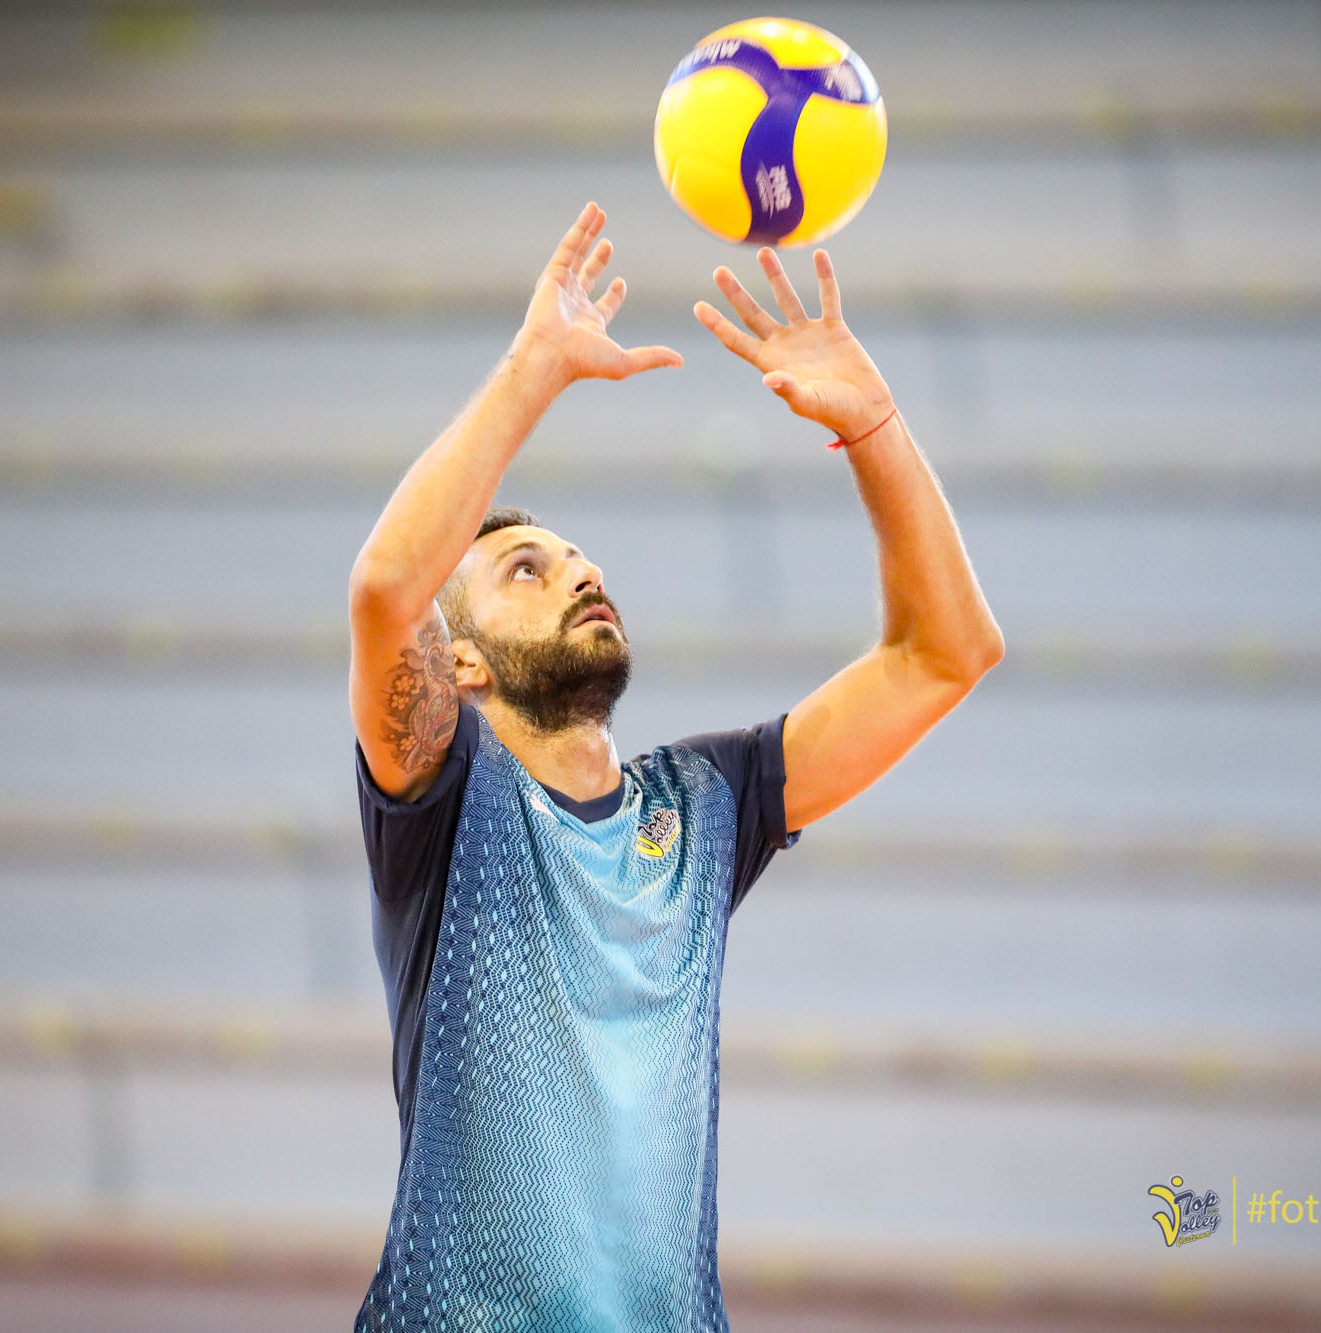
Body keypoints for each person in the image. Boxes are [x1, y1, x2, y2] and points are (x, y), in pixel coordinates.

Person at [348, 201, 1004, 1331]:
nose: (578, 573)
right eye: (524, 570)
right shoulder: (447, 805)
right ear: (458, 661)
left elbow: (947, 653)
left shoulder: (702, 806)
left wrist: (874, 427)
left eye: (579, 559)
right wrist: (536, 368)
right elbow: (384, 591)